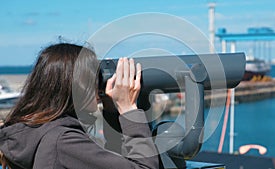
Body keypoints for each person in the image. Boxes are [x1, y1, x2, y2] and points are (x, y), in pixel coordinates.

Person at [0, 43, 159, 169]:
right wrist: (128, 109)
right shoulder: (63, 142)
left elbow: (112, 161)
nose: (99, 88)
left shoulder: (35, 133)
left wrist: (111, 112)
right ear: (76, 87)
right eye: (93, 79)